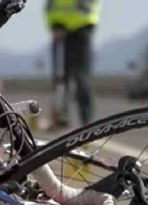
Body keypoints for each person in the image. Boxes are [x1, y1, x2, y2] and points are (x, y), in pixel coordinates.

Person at [46, 0, 101, 128]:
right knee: (60, 78)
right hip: (60, 30)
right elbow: (51, 6)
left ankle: (87, 120)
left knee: (81, 77)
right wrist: (54, 25)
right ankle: (61, 116)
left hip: (81, 27)